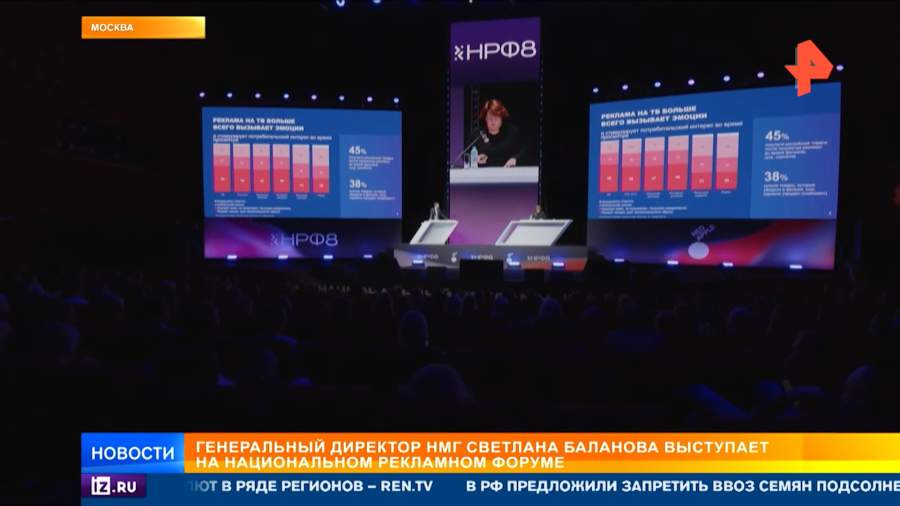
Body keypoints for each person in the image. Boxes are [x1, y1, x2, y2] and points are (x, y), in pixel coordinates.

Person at [471, 99, 526, 168]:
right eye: (490, 118)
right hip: (484, 172)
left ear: (501, 118)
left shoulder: (512, 132)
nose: (493, 121)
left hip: (508, 171)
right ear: (485, 118)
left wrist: (515, 159)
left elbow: (524, 151)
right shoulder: (478, 134)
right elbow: (466, 154)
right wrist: (475, 158)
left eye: (496, 117)